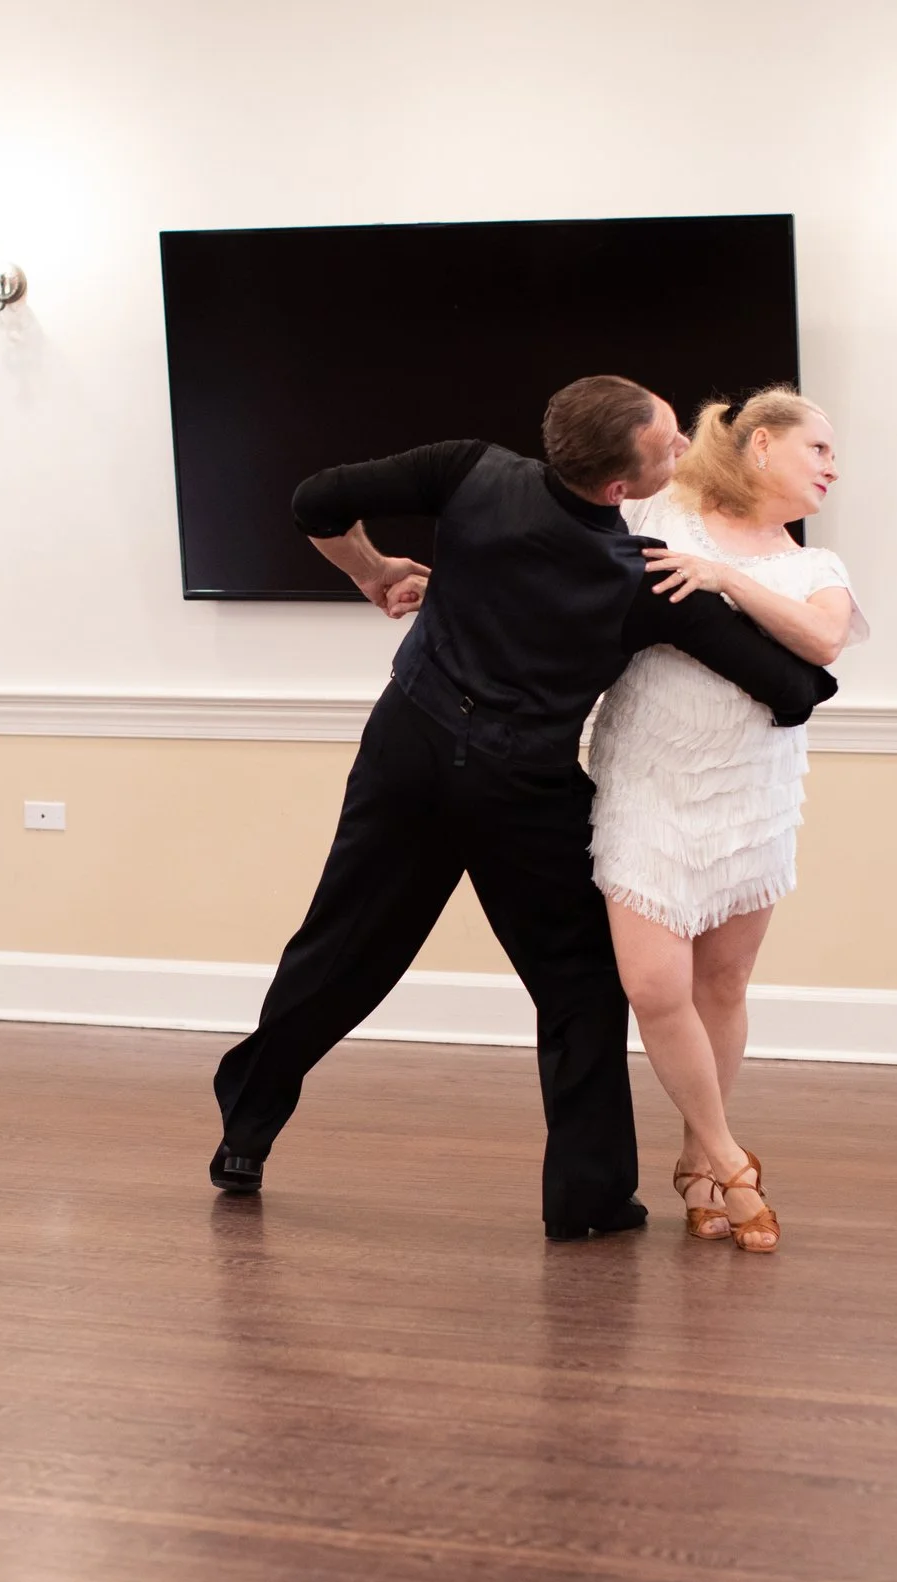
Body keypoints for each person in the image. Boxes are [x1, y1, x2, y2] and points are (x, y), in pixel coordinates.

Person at [208, 375, 838, 1240]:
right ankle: (588, 1200)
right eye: (670, 442)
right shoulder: (646, 579)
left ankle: (244, 1133)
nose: (689, 446)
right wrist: (735, 591)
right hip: (521, 788)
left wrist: (374, 571)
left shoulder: (470, 469)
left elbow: (314, 500)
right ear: (619, 488)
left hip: (409, 752)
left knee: (341, 951)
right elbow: (797, 691)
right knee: (581, 985)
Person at [588, 385, 867, 1252]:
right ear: (761, 444)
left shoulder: (818, 568)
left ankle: (698, 1163)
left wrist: (725, 578)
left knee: (722, 986)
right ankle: (727, 1158)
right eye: (819, 447)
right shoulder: (660, 509)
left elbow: (823, 643)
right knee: (652, 986)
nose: (832, 467)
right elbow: (569, 562)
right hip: (646, 779)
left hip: (752, 795)